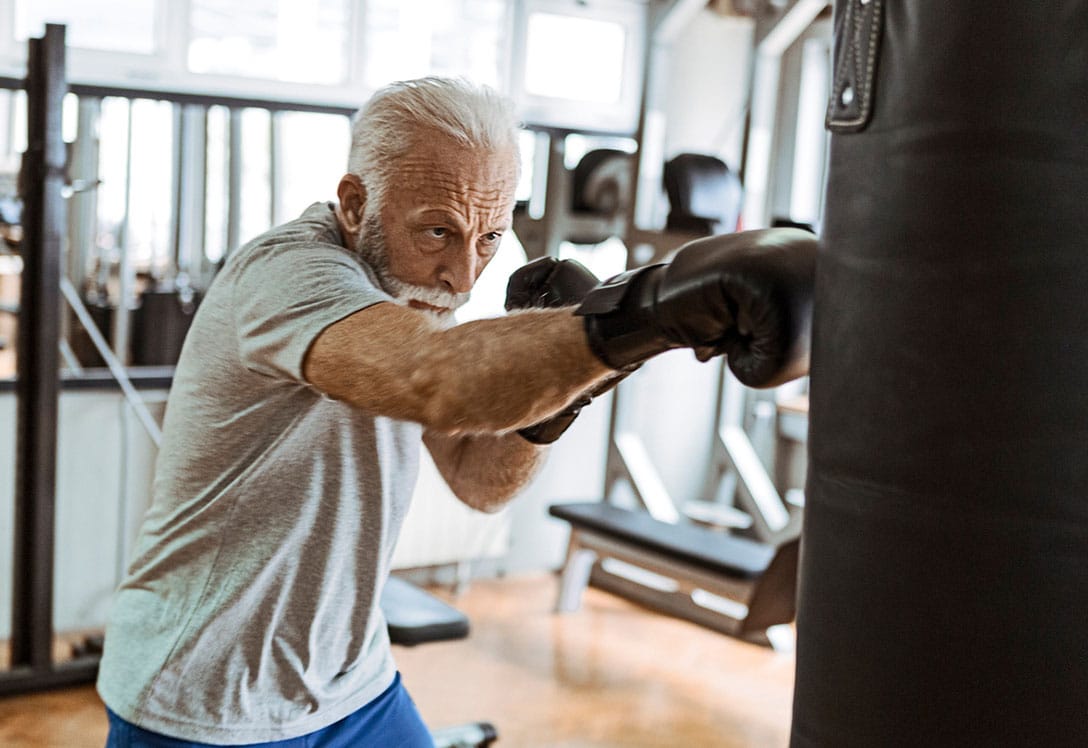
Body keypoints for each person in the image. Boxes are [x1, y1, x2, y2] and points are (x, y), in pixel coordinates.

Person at [97, 76, 817, 746]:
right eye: (437, 231)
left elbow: (481, 481)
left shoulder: (416, 290)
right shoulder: (290, 275)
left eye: (491, 238)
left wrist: (569, 387)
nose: (465, 274)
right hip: (204, 692)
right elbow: (436, 378)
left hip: (349, 681)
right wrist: (640, 316)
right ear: (355, 204)